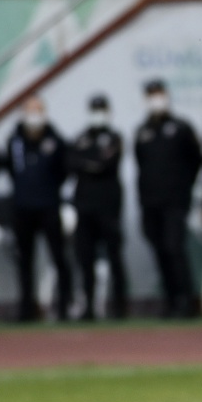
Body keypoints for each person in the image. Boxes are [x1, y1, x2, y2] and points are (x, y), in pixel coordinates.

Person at [134, 78, 201, 318]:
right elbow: (141, 165)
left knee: (175, 248)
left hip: (175, 201)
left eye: (159, 94)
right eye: (151, 95)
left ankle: (186, 301)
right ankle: (171, 301)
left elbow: (196, 160)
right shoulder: (143, 131)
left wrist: (183, 188)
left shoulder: (181, 127)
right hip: (151, 203)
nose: (156, 99)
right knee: (160, 251)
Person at [4, 95, 71, 322]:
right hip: (22, 207)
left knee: (59, 257)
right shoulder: (14, 141)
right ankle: (26, 309)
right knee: (24, 260)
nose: (34, 115)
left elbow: (63, 171)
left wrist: (49, 191)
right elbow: (11, 169)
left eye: (38, 110)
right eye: (30, 110)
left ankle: (64, 306)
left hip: (49, 206)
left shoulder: (56, 140)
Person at [69, 93, 128, 320]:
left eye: (101, 109)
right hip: (84, 207)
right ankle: (88, 307)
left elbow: (106, 164)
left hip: (109, 207)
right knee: (85, 259)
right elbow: (71, 162)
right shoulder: (81, 137)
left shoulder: (114, 137)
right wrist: (91, 164)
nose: (98, 114)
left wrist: (88, 164)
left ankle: (119, 306)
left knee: (114, 256)